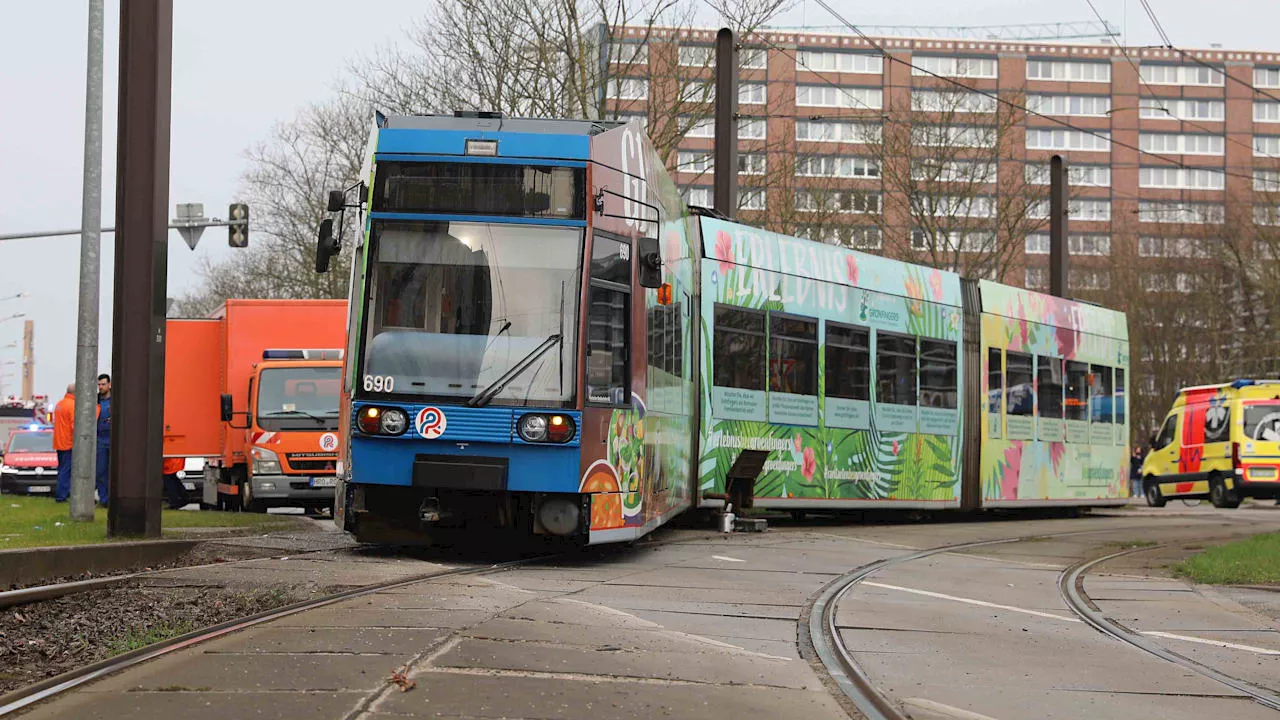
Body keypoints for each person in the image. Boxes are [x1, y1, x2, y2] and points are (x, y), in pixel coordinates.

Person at [53, 384, 76, 502]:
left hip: (59, 443)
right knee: (66, 471)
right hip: (68, 443)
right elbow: (74, 426)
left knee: (62, 469)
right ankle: (62, 496)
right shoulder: (73, 405)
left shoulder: (59, 404)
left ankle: (62, 493)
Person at [96, 374, 111, 506]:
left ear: (109, 385)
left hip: (113, 439)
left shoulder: (115, 400)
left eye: (103, 384)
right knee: (101, 471)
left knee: (113, 471)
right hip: (100, 440)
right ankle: (104, 499)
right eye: (99, 385)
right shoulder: (96, 400)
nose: (100, 387)